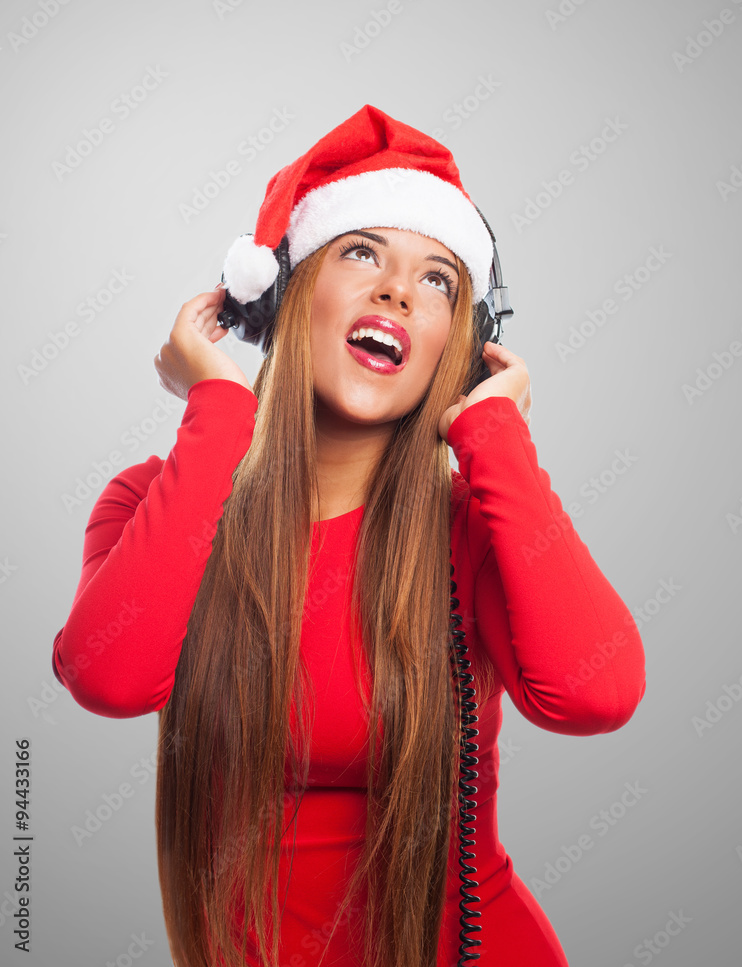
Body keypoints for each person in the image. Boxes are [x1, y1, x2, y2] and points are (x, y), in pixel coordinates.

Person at [51, 104, 646, 967]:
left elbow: (598, 693)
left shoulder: (473, 533)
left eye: (437, 280)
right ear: (290, 295)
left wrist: (496, 438)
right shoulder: (147, 502)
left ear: (461, 344)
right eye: (362, 252)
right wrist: (219, 408)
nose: (398, 291)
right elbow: (108, 678)